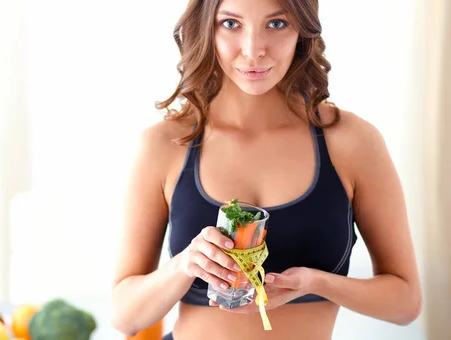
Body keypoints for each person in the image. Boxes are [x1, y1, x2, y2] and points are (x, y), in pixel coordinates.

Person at [110, 0, 422, 339]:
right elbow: (125, 316)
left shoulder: (351, 142)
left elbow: (405, 303)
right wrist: (185, 265)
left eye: (276, 24)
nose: (253, 50)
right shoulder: (165, 145)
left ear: (303, 29)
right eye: (231, 24)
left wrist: (314, 283)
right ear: (206, 28)